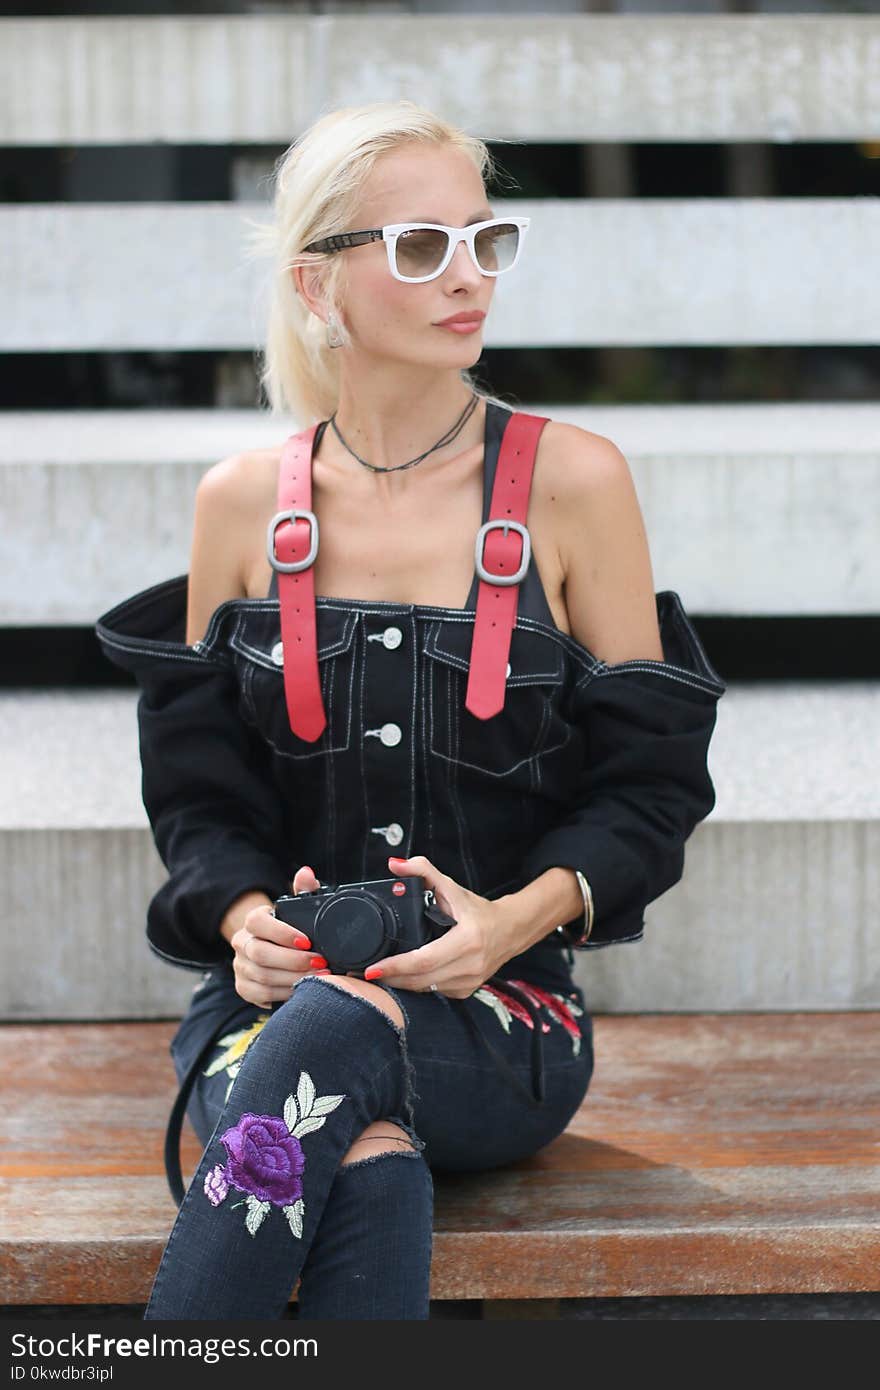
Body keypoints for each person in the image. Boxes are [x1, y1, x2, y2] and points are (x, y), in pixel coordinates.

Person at [94, 99, 727, 1321]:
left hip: (502, 1023)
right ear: (317, 283)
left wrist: (508, 925)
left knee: (335, 1048)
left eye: (484, 239)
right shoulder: (238, 505)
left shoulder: (575, 481)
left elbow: (651, 793)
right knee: (360, 1144)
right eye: (420, 246)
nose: (467, 276)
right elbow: (198, 799)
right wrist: (241, 924)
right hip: (265, 1021)